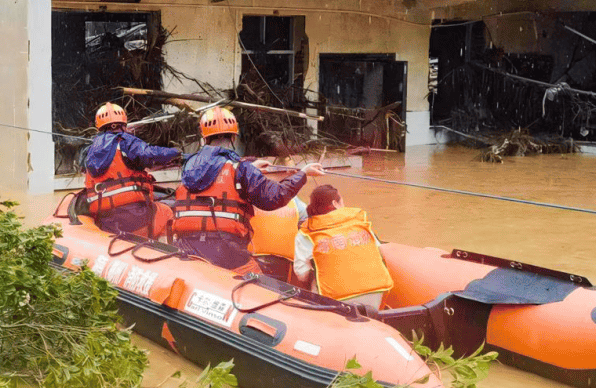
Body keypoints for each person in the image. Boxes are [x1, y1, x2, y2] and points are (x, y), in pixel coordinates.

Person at [171, 107, 324, 274]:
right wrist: (303, 173)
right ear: (234, 137)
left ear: (204, 138)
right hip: (225, 251)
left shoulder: (188, 166)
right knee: (261, 283)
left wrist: (250, 168)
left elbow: (217, 168)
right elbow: (274, 197)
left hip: (186, 246)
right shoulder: (241, 169)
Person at [83, 102, 180, 237]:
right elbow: (149, 154)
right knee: (167, 212)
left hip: (105, 220)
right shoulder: (125, 141)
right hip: (133, 216)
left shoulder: (90, 151)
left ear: (99, 126)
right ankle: (161, 254)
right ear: (123, 124)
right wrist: (175, 153)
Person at [293, 185, 394, 311]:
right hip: (377, 294)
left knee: (315, 277)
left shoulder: (306, 234)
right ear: (335, 203)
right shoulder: (360, 222)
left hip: (334, 300)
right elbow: (381, 253)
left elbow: (301, 274)